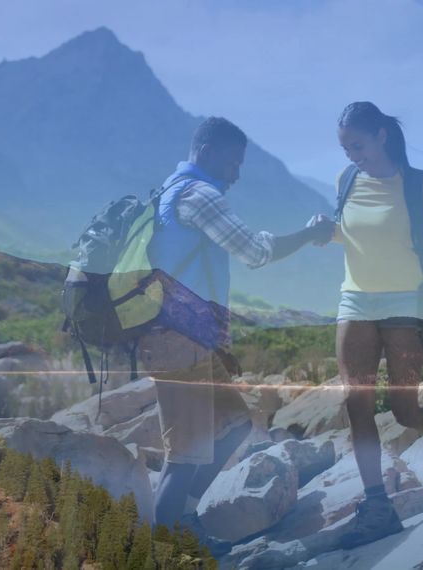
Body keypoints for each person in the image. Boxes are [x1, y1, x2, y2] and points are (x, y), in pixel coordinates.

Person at [143, 117, 335, 551]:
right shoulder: (198, 195)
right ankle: (164, 552)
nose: (236, 174)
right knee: (184, 456)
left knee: (234, 425)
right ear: (207, 152)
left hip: (192, 341)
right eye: (232, 163)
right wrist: (310, 234)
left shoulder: (169, 190)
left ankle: (185, 521)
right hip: (179, 343)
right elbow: (255, 251)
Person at [312, 102, 423, 549]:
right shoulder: (346, 180)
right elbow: (351, 234)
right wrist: (327, 231)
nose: (353, 156)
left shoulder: (417, 184)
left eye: (358, 146)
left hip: (406, 305)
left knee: (405, 411)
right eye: (346, 149)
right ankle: (377, 507)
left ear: (382, 136)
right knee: (357, 404)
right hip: (355, 301)